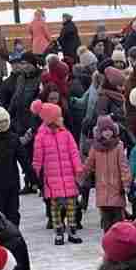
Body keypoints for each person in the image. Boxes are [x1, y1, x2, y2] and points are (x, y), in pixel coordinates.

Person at [31, 102, 84, 244]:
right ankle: (59, 232)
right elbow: (37, 158)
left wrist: (78, 168)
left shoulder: (66, 134)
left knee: (72, 205)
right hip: (52, 179)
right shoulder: (41, 137)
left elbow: (74, 152)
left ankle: (72, 231)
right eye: (59, 117)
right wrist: (35, 174)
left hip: (68, 177)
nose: (62, 119)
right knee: (55, 207)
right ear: (51, 120)